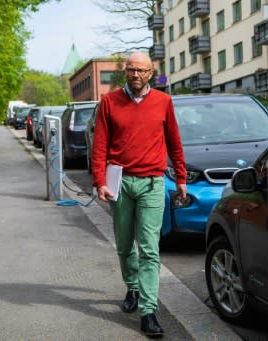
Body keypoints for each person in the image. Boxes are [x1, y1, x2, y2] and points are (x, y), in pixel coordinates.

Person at [91, 52, 187, 338]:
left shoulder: (163, 102)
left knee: (149, 248)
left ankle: (148, 311)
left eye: (141, 70)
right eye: (131, 69)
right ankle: (132, 285)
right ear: (125, 71)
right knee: (123, 245)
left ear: (151, 73)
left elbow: (174, 142)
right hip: (119, 183)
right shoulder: (109, 102)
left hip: (152, 184)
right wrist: (99, 182)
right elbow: (100, 146)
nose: (135, 75)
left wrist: (180, 177)